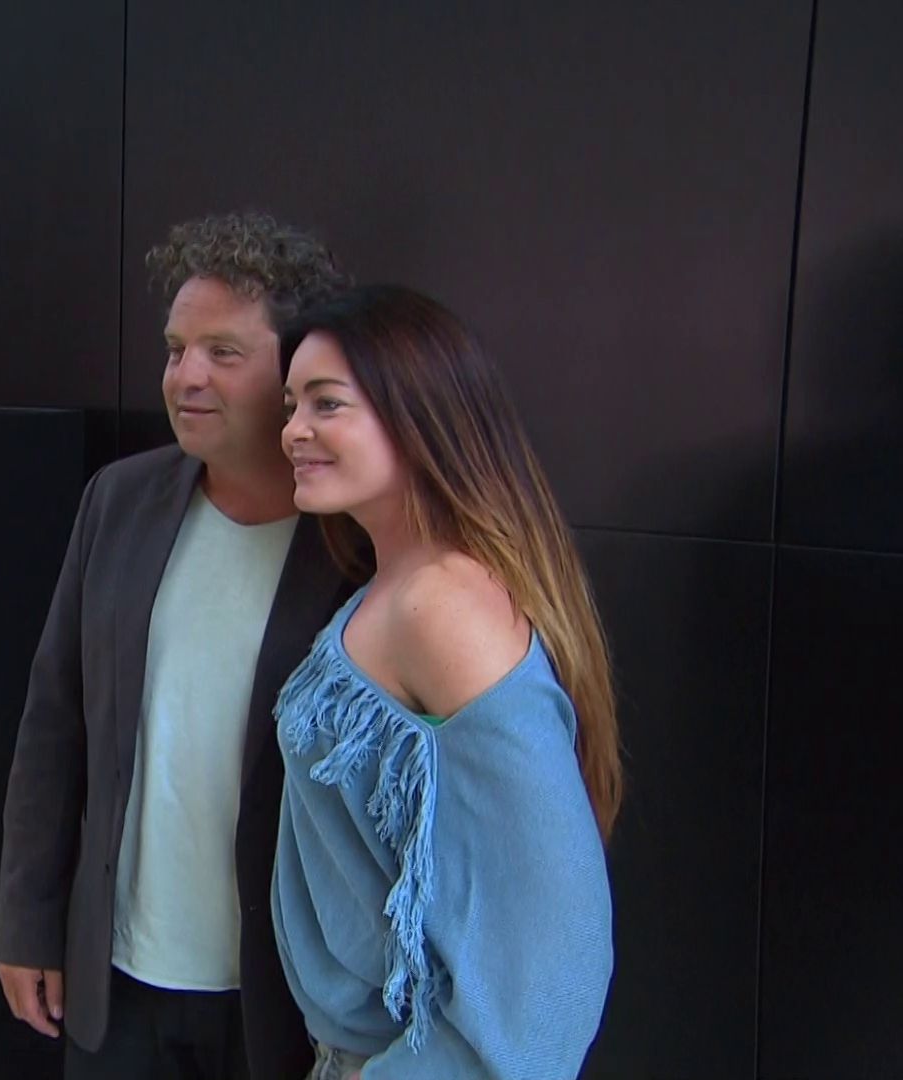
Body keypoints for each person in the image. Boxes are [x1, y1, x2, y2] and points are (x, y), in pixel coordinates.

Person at [0, 210, 356, 1080]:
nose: (186, 376)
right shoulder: (118, 502)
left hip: (278, 1000)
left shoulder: (356, 542)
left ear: (295, 371)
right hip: (118, 981)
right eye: (175, 349)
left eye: (223, 352)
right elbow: (54, 724)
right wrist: (28, 920)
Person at [270, 285, 621, 1080]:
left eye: (327, 403)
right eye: (291, 406)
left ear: (420, 413)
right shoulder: (393, 584)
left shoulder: (443, 606)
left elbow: (553, 963)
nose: (293, 429)